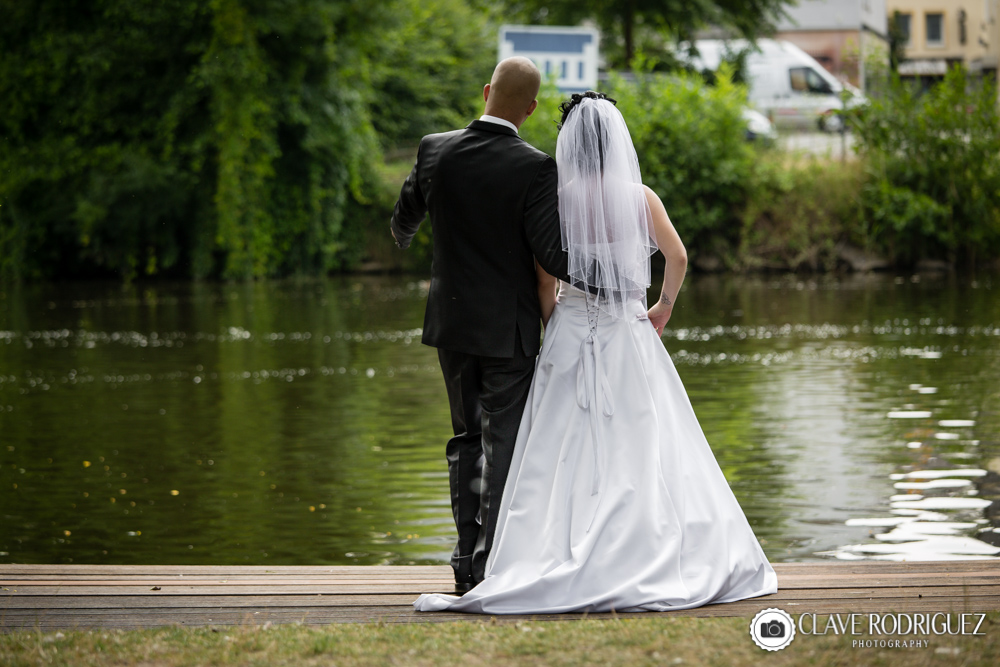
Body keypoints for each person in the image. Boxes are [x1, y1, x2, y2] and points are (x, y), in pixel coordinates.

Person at [413, 92, 778, 613]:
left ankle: (541, 550)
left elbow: (545, 276)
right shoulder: (640, 197)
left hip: (568, 331)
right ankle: (646, 545)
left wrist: (553, 325)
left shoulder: (558, 197)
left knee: (557, 451)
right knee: (643, 444)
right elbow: (677, 256)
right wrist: (662, 307)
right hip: (629, 333)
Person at [390, 57, 569, 594]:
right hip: (509, 332)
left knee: (465, 438)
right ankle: (493, 563)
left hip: (451, 324)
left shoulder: (433, 149)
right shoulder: (536, 167)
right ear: (531, 109)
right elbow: (554, 256)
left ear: (487, 90)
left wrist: (411, 234)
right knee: (504, 446)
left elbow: (403, 222)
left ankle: (465, 560)